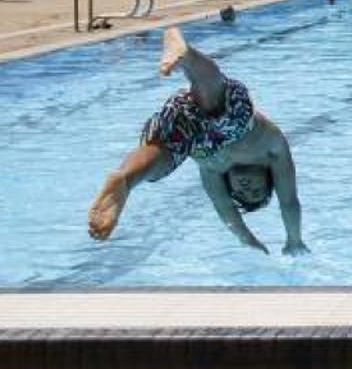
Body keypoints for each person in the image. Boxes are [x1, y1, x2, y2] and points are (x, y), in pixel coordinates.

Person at [87, 27, 308, 255]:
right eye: (257, 191)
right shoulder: (272, 150)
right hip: (236, 119)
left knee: (163, 155)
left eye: (242, 194)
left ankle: (125, 179)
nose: (247, 189)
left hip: (195, 136)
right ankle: (185, 54)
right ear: (268, 177)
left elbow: (226, 211)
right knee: (216, 104)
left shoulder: (213, 171)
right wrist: (294, 240)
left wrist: (249, 242)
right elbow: (289, 201)